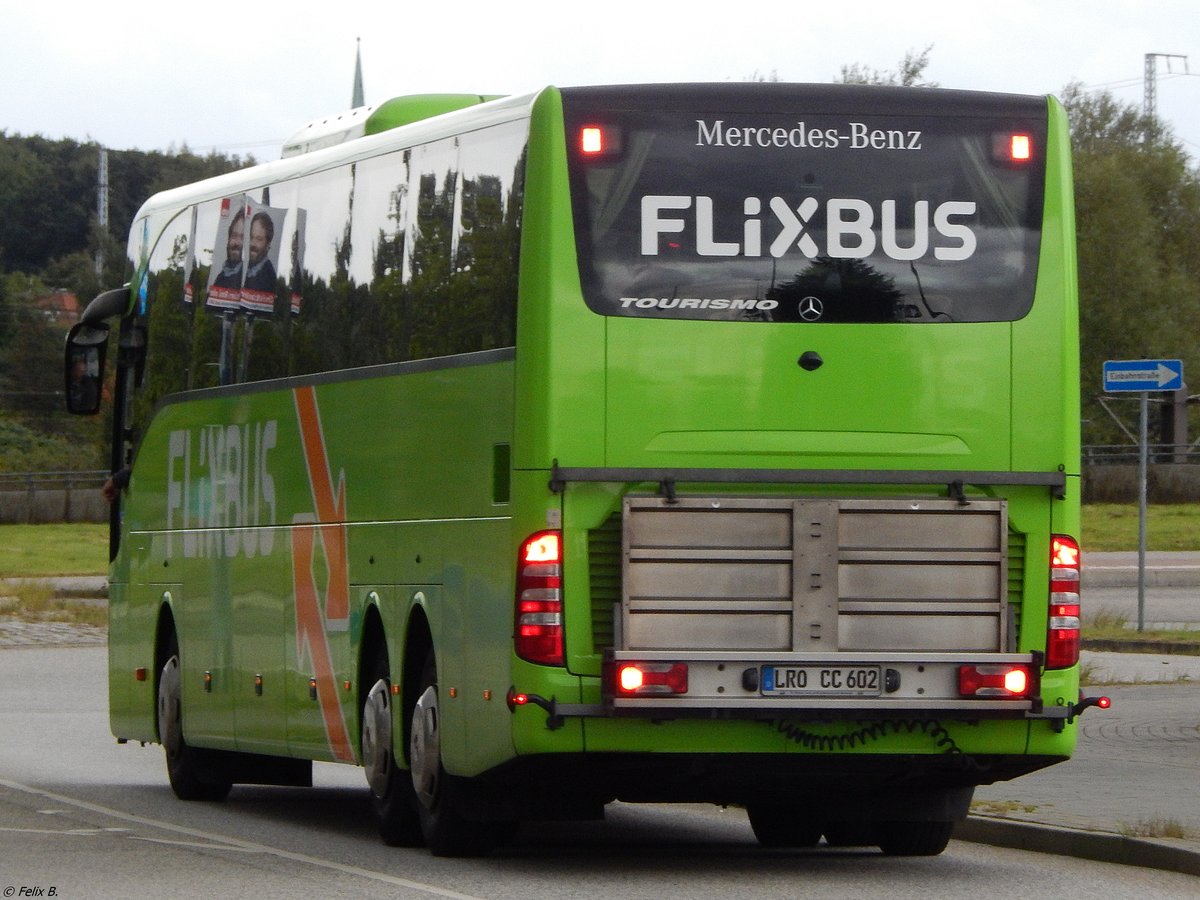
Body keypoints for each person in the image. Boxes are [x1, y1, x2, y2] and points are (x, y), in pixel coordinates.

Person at [243, 211, 277, 293]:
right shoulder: (243, 267)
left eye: (259, 239)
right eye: (251, 237)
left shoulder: (268, 275)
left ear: (268, 244)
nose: (252, 244)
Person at [212, 208, 246, 289]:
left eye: (243, 237)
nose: (236, 243)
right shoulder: (221, 278)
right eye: (234, 236)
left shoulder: (251, 280)